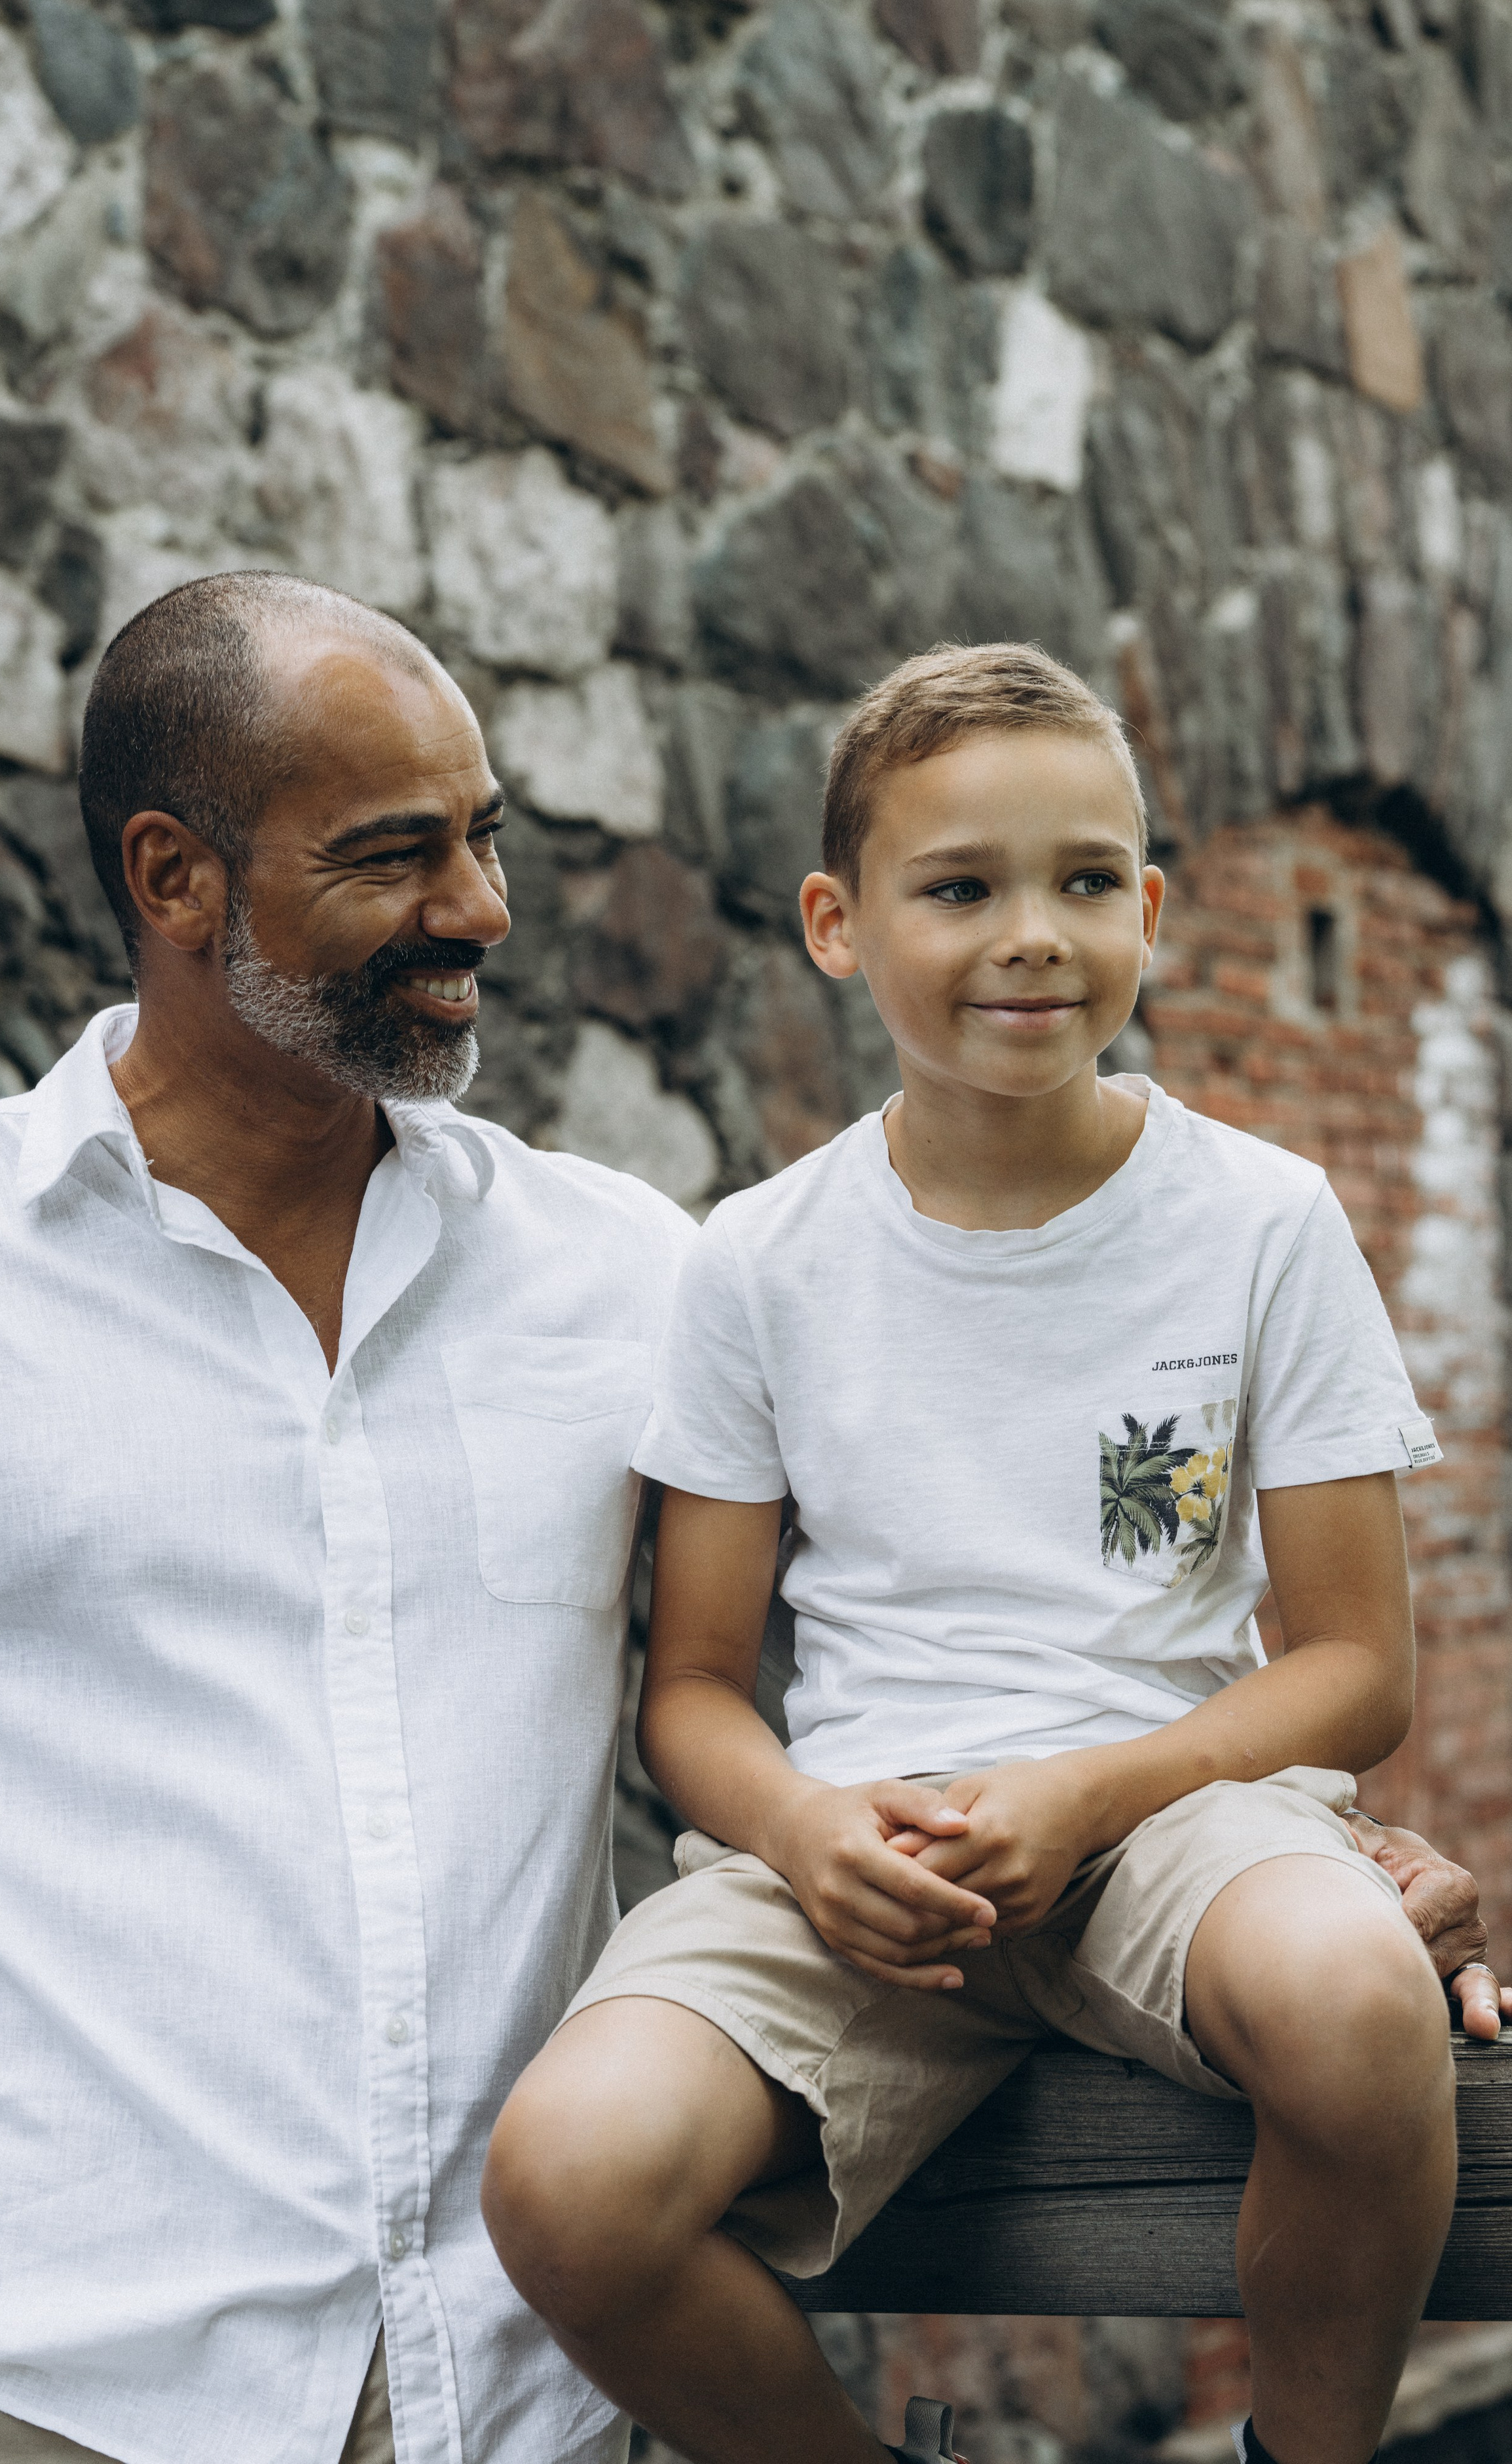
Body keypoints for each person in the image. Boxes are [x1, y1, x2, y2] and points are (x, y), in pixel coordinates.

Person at [483, 641, 1512, 2464]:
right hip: (864, 1852)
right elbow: (699, 1696)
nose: (1033, 934)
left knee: (1361, 2004)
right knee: (568, 2180)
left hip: (1178, 1813)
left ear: (1152, 910)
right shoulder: (760, 1261)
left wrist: (1094, 1793)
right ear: (837, 922)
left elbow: (1356, 1675)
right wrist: (807, 1832)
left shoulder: (1263, 1224)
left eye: (1086, 881)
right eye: (959, 887)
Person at [0, 573, 693, 2464]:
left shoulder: (626, 1279)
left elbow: (915, 1648)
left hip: (524, 2394)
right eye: (395, 854)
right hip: (25, 2390)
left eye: (483, 837)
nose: (476, 908)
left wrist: (1290, 1866)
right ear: (176, 878)